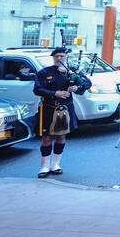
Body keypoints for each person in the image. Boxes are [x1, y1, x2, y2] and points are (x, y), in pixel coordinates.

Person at [33, 46, 83, 178]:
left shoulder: (71, 72)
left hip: (65, 108)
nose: (59, 58)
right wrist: (55, 93)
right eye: (57, 56)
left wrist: (76, 87)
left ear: (66, 57)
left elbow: (86, 83)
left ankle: (55, 164)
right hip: (49, 108)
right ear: (53, 57)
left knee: (61, 136)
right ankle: (44, 166)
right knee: (47, 138)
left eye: (62, 56)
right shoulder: (44, 72)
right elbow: (37, 89)